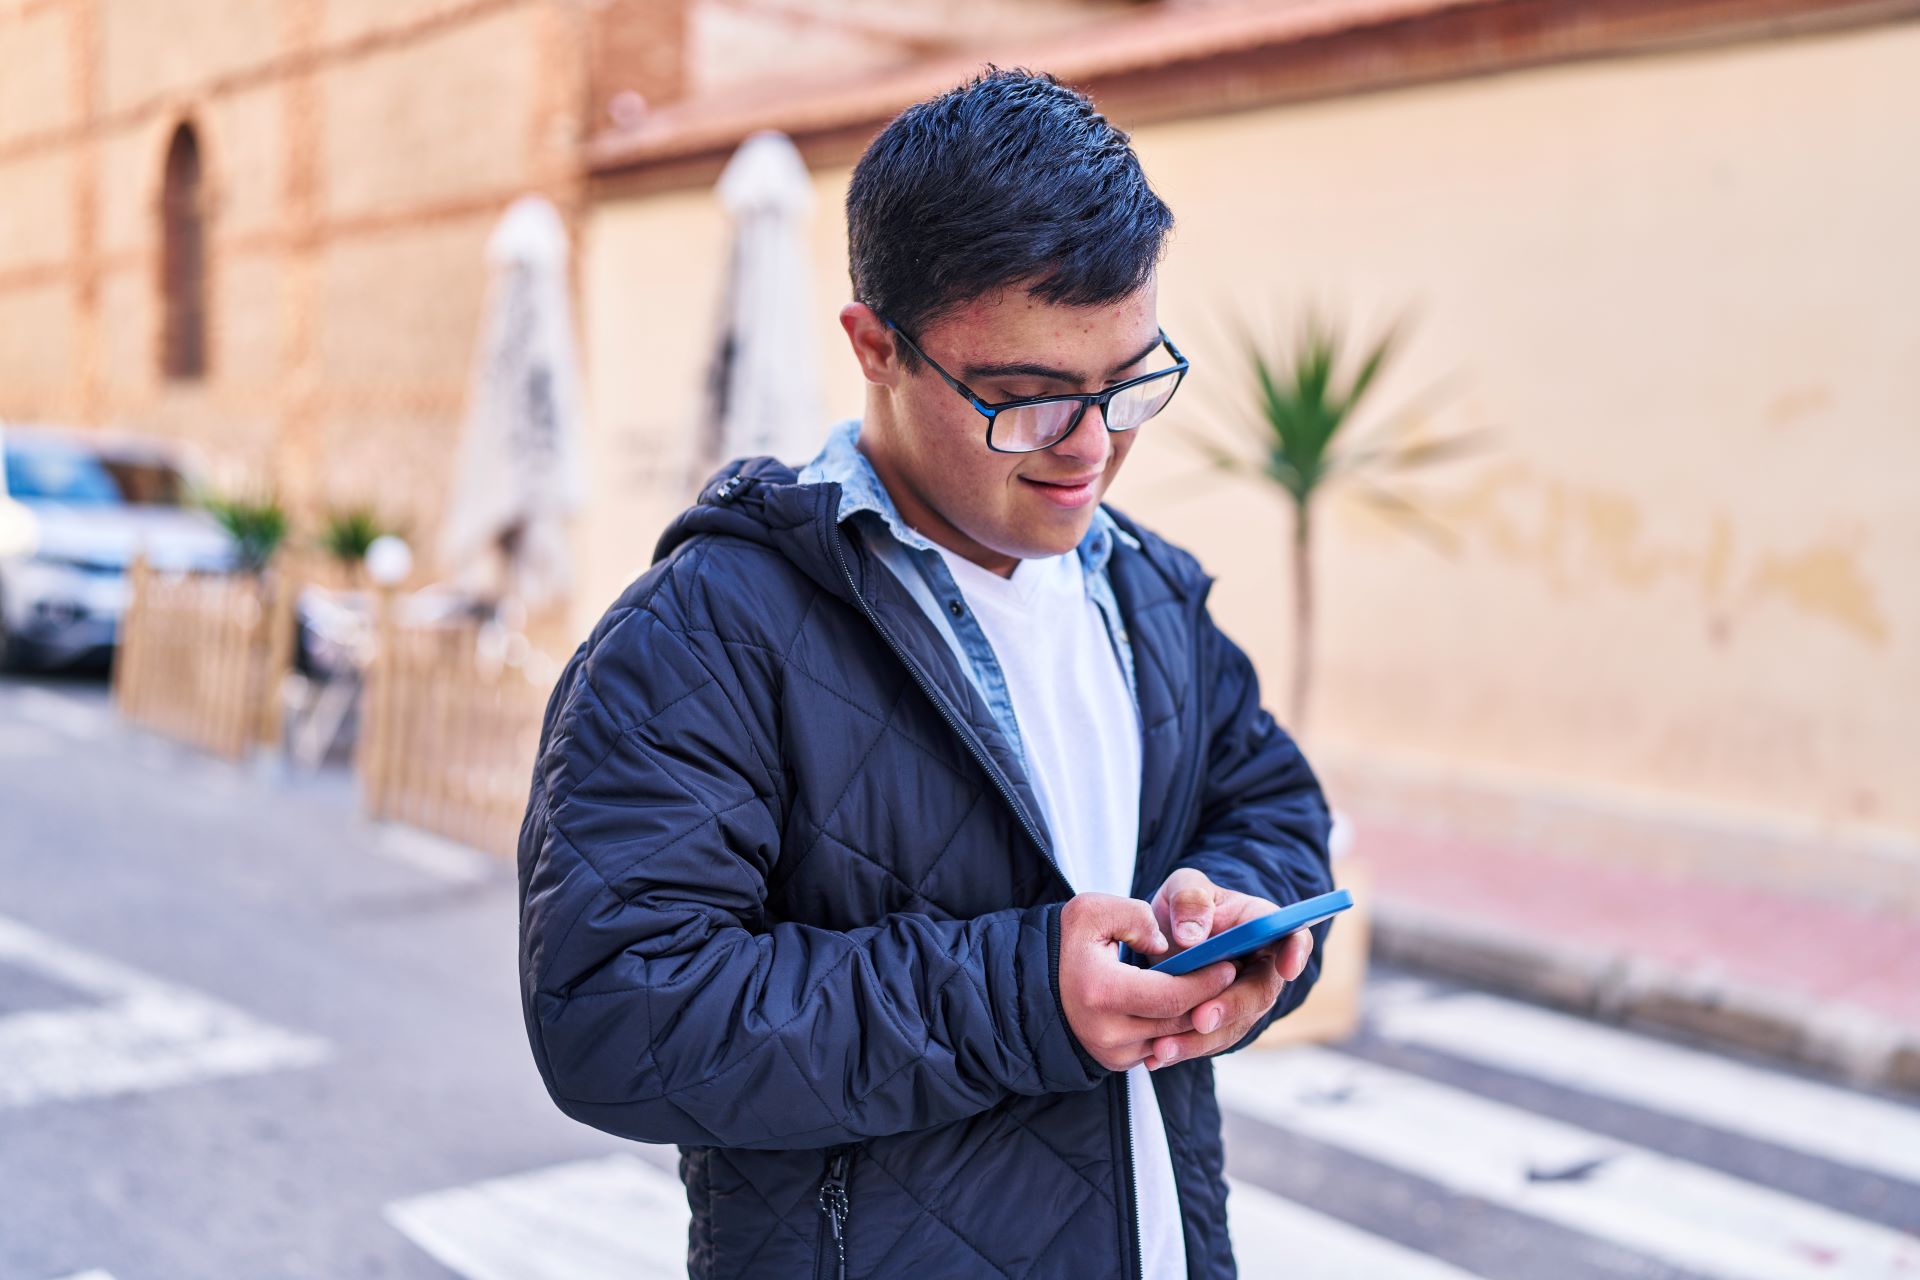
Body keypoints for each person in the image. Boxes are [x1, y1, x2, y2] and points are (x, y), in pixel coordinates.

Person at [517, 66, 1335, 1280]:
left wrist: (1241, 918)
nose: (1093, 446)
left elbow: (1271, 801)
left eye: (1129, 382)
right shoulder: (701, 635)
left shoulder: (1149, 591)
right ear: (874, 346)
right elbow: (616, 1012)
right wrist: (1025, 993)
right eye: (1026, 399)